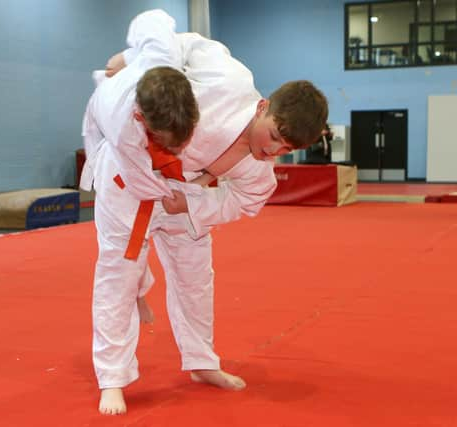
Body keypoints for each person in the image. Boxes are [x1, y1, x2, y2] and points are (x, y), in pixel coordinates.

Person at [82, 10, 328, 415]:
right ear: (263, 107)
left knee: (196, 278)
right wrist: (133, 58)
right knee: (119, 274)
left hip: (181, 199)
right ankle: (113, 377)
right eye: (274, 137)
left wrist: (193, 203)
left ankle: (201, 362)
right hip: (129, 177)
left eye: (287, 150)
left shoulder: (258, 171)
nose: (273, 151)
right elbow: (170, 36)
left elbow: (244, 202)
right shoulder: (227, 80)